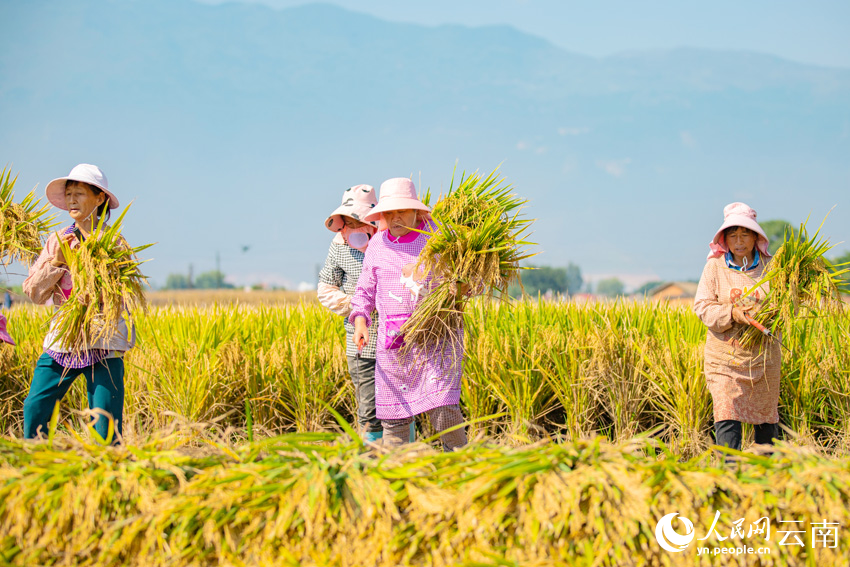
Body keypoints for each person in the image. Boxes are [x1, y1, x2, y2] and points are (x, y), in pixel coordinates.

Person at [349, 177, 467, 451]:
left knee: (443, 410)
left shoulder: (439, 238)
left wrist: (461, 288)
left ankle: (462, 467)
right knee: (395, 421)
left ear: (417, 211)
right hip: (394, 347)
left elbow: (468, 279)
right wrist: (360, 322)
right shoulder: (377, 244)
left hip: (436, 342)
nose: (395, 217)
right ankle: (398, 478)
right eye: (389, 213)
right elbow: (364, 290)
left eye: (401, 211)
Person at [21, 164, 135, 442]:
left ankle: (106, 475)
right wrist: (58, 261)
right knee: (35, 407)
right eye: (69, 194)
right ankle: (35, 464)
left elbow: (124, 295)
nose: (72, 200)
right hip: (63, 341)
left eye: (80, 194)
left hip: (102, 343)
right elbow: (34, 294)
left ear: (99, 199)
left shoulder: (116, 244)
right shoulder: (57, 241)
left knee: (106, 424)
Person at [694, 202, 780, 455]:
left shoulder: (773, 269)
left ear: (756, 237)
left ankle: (765, 478)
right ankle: (728, 477)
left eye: (745, 234)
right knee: (726, 411)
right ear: (725, 238)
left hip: (763, 358)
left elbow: (787, 307)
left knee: (766, 419)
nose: (739, 241)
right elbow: (702, 307)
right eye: (733, 235)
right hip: (725, 360)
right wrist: (732, 313)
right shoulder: (714, 267)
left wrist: (768, 315)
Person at [318, 185, 385, 442]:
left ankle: (403, 451)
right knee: (369, 405)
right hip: (360, 343)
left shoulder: (388, 243)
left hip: (397, 338)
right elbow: (326, 288)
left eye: (358, 221)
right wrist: (358, 306)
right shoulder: (339, 247)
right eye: (346, 223)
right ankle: (372, 455)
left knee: (401, 402)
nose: (351, 228)